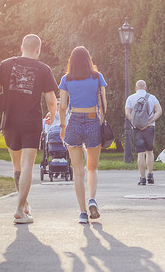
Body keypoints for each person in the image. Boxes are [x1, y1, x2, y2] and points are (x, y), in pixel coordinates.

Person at [0, 34, 58, 224]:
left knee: (17, 167)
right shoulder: (44, 69)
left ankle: (24, 205)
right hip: (31, 123)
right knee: (27, 166)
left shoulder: (5, 65)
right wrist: (52, 115)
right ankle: (19, 210)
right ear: (38, 50)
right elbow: (50, 100)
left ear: (21, 47)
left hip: (10, 123)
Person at [59, 46, 107, 224]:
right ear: (89, 59)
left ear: (71, 61)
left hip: (74, 122)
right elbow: (104, 104)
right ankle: (92, 199)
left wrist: (63, 127)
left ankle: (82, 213)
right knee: (92, 167)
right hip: (93, 119)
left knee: (77, 170)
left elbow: (63, 106)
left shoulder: (66, 79)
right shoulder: (97, 77)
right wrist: (100, 122)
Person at [125, 80, 162, 185]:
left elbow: (127, 112)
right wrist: (149, 122)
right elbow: (159, 111)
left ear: (136, 88)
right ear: (145, 88)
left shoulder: (130, 98)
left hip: (137, 129)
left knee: (140, 153)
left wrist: (134, 122)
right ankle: (150, 174)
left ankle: (142, 178)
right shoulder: (152, 97)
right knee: (149, 152)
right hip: (150, 127)